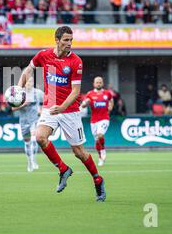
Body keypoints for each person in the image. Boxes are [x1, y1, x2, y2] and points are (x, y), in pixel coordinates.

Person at [17, 26, 106, 202]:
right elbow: (28, 69)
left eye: (71, 40)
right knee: (40, 138)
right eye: (66, 40)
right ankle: (63, 169)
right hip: (50, 107)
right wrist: (19, 89)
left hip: (70, 111)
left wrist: (62, 107)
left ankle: (97, 179)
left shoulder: (76, 61)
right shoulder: (44, 55)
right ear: (57, 40)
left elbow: (75, 92)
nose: (69, 44)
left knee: (79, 152)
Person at [11, 77, 44, 172]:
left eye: (31, 81)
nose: (30, 83)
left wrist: (40, 110)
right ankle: (29, 162)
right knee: (27, 142)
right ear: (25, 83)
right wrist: (23, 104)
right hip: (24, 121)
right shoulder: (20, 94)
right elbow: (13, 108)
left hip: (35, 120)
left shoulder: (38, 93)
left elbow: (45, 103)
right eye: (28, 82)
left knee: (34, 140)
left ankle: (34, 161)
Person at [80, 77, 114, 166]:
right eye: (97, 82)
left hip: (104, 118)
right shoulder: (90, 94)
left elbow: (111, 100)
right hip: (94, 120)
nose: (98, 84)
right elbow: (84, 105)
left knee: (100, 135)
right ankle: (100, 157)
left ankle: (102, 150)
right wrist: (85, 103)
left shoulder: (107, 93)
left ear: (102, 83)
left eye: (100, 82)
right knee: (96, 140)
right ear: (94, 84)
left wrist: (110, 106)